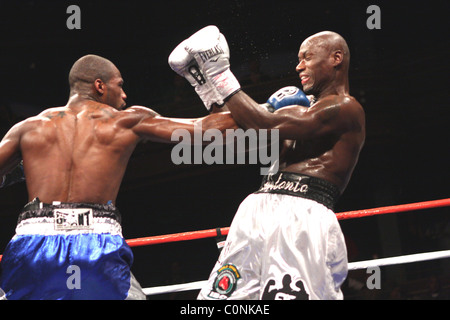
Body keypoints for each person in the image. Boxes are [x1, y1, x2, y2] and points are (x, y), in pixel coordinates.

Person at [0, 54, 236, 300]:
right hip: (95, 243)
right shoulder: (128, 121)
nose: (124, 95)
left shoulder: (27, 127)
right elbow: (213, 131)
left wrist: (15, 172)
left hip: (33, 242)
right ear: (100, 86)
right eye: (120, 85)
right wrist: (212, 80)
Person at [169, 26, 365, 299]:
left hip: (303, 215)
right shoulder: (298, 107)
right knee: (221, 299)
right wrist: (205, 81)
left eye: (307, 57)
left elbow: (263, 123)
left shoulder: (345, 108)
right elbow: (234, 132)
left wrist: (220, 71)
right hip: (258, 208)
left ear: (336, 58)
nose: (299, 66)